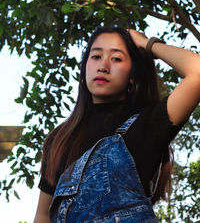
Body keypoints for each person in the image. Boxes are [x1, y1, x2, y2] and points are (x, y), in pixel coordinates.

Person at [33, 26, 200, 223]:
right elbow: (43, 215)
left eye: (116, 58)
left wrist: (148, 45)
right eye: (95, 56)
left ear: (132, 76)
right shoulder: (60, 138)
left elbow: (196, 72)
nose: (103, 66)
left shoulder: (146, 126)